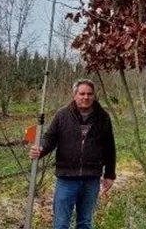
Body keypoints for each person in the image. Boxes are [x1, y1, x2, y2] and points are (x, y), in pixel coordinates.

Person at [29, 78, 116, 229]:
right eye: (82, 93)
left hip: (91, 180)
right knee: (61, 223)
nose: (86, 97)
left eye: (89, 94)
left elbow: (110, 148)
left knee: (85, 222)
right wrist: (40, 148)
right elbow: (50, 138)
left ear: (94, 95)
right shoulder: (62, 115)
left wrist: (109, 175)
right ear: (74, 95)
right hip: (66, 179)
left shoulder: (103, 118)